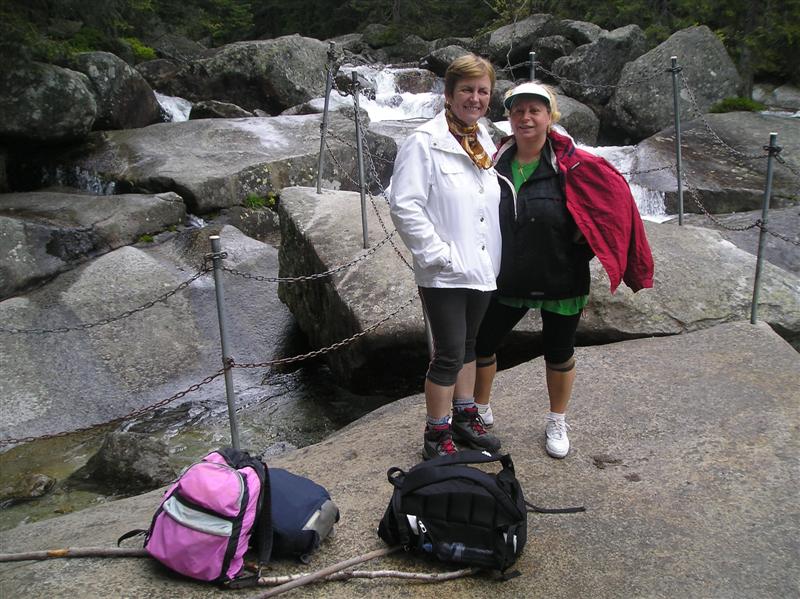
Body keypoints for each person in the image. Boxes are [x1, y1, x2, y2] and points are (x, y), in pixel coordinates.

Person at [474, 82, 654, 458]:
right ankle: (479, 409)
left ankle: (557, 420)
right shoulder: (492, 162)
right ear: (509, 117)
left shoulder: (575, 165)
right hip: (509, 275)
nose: (525, 118)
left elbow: (611, 207)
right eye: (518, 110)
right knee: (482, 343)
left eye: (534, 111)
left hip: (561, 276)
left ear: (549, 117)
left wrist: (580, 247)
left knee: (558, 352)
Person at [389, 54, 505, 460]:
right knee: (449, 353)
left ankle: (465, 417)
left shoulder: (482, 138)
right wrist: (437, 254)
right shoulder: (424, 141)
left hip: (481, 265)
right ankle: (436, 434)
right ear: (449, 94)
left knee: (470, 344)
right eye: (467, 90)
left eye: (483, 91)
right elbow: (405, 204)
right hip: (445, 271)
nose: (475, 98)